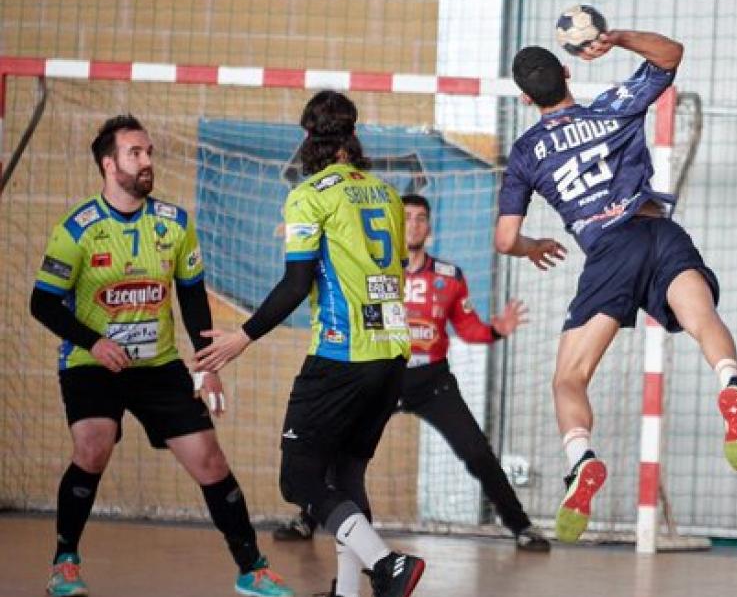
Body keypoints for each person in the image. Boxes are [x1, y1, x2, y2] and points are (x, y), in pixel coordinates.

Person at [495, 26, 737, 544]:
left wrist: (533, 247)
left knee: (569, 378)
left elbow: (505, 239)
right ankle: (730, 384)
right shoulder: (611, 105)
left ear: (526, 97)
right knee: (704, 320)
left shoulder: (527, 153)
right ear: (568, 72)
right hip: (658, 228)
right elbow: (672, 56)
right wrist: (615, 38)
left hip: (609, 252)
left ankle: (582, 458)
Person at [30, 114, 291, 597]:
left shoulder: (175, 225)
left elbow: (192, 297)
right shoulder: (77, 229)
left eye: (148, 151)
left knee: (210, 461)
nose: (147, 161)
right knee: (93, 447)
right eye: (136, 153)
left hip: (159, 366)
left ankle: (252, 569)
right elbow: (41, 302)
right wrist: (94, 341)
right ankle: (65, 562)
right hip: (94, 364)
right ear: (109, 165)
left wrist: (206, 367)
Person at [193, 92, 424, 597]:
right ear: (352, 137)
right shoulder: (385, 193)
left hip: (341, 356)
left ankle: (387, 564)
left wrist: (242, 337)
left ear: (307, 139)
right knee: (346, 474)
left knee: (298, 481)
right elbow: (393, 269)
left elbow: (296, 285)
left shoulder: (310, 194)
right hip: (391, 354)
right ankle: (346, 592)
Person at [271, 193, 550, 552]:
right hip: (378, 374)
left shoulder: (449, 277)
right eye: (407, 217)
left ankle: (521, 526)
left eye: (421, 218)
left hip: (430, 380)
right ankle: (306, 519)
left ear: (429, 227)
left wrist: (496, 329)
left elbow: (468, 329)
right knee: (334, 448)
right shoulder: (368, 271)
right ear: (393, 223)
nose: (414, 224)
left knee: (477, 451)